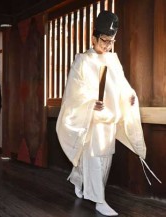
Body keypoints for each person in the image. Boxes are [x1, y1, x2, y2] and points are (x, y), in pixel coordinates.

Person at [56, 11, 146, 216]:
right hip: (91, 118)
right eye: (104, 40)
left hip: (109, 117)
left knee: (104, 158)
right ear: (93, 38)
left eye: (111, 41)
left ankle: (77, 180)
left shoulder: (113, 60)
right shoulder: (82, 60)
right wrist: (89, 104)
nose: (108, 45)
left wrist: (130, 96)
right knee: (94, 158)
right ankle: (99, 200)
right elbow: (73, 92)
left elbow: (123, 86)